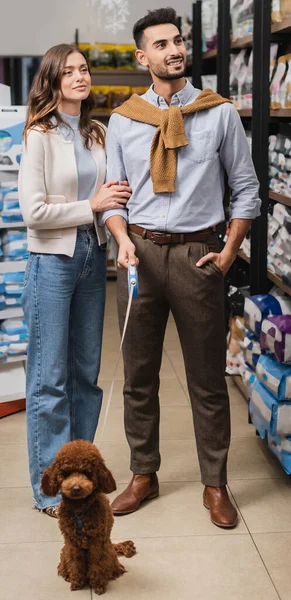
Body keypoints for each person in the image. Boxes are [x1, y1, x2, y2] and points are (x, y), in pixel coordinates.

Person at [102, 8, 261, 529]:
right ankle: (143, 474)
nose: (173, 50)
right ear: (142, 57)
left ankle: (214, 484)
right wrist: (122, 239)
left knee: (207, 378)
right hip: (140, 256)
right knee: (138, 376)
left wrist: (231, 247)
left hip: (199, 255)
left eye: (177, 41)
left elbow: (246, 189)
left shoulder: (219, 113)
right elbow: (114, 198)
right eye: (161, 44)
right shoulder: (124, 120)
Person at [19, 44, 132, 517]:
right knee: (50, 379)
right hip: (51, 261)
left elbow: (110, 199)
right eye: (69, 72)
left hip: (92, 256)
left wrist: (120, 236)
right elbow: (35, 212)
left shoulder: (97, 132)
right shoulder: (40, 134)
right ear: (52, 80)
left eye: (84, 69)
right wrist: (93, 206)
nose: (81, 77)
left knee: (86, 373)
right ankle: (50, 490)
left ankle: (80, 480)